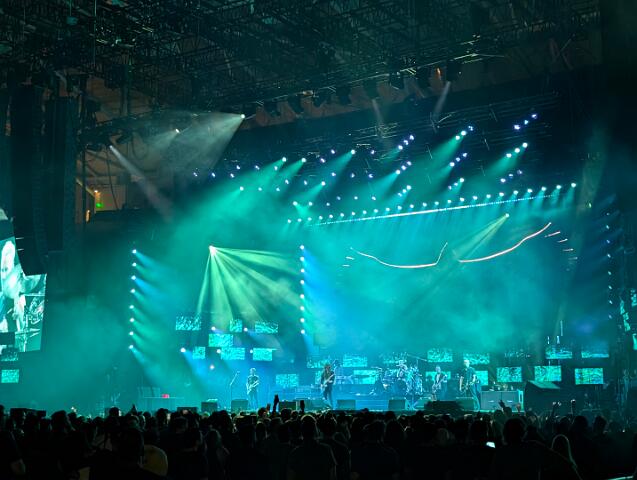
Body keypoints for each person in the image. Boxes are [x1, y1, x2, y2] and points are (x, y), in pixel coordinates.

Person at [287, 415, 336, 480]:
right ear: (315, 431)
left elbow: (290, 476)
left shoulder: (295, 452)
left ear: (301, 432)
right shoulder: (326, 449)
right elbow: (333, 475)